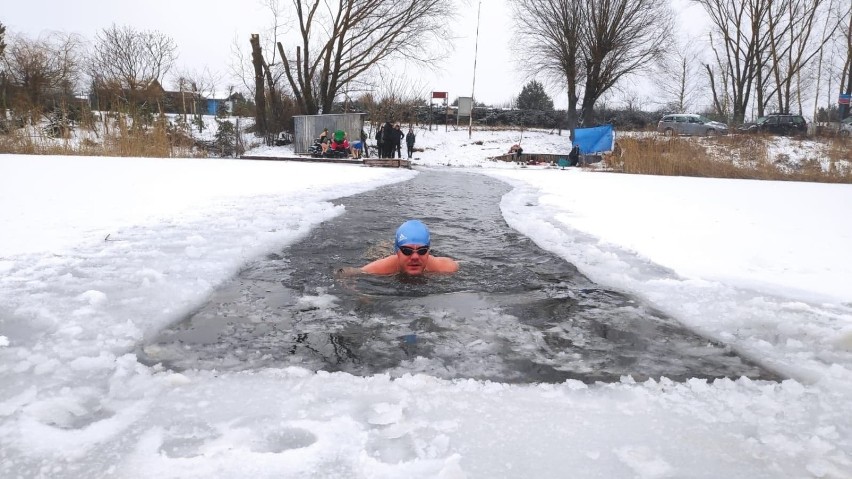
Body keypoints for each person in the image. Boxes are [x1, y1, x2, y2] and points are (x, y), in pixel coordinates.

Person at [357, 220, 458, 276]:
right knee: (377, 252)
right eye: (407, 251)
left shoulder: (446, 267)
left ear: (428, 251)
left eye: (422, 251)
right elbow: (347, 274)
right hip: (384, 256)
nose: (415, 257)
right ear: (397, 251)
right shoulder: (379, 268)